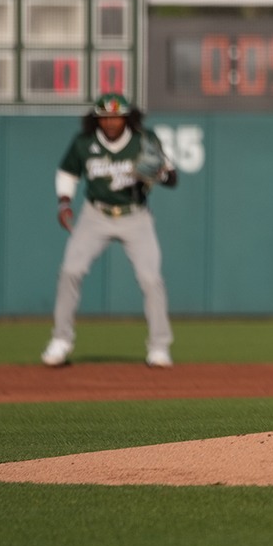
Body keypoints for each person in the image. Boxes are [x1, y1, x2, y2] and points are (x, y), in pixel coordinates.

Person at [41, 92, 178, 368]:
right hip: (96, 214)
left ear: (126, 117)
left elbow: (172, 178)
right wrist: (64, 202)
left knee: (150, 279)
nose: (111, 122)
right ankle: (61, 340)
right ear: (97, 119)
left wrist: (159, 173)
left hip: (135, 215)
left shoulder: (143, 140)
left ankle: (159, 347)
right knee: (70, 271)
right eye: (105, 117)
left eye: (116, 116)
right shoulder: (84, 143)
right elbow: (68, 173)